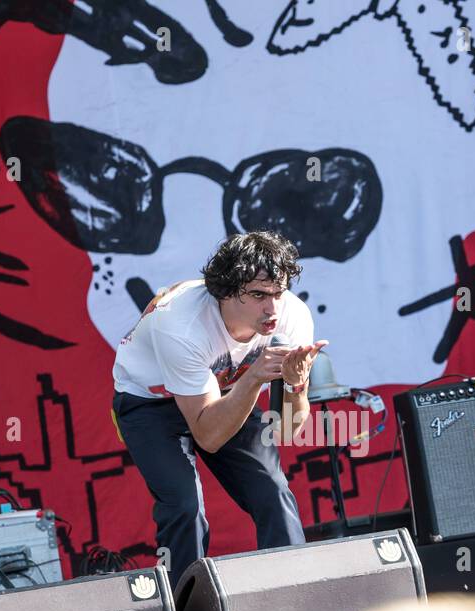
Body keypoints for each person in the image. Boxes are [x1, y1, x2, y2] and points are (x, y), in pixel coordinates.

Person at [112, 231, 326, 586]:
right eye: (258, 295)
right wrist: (254, 377)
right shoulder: (181, 324)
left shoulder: (293, 316)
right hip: (150, 403)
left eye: (278, 292)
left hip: (225, 392)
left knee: (273, 490)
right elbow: (208, 436)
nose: (272, 308)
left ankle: (293, 590)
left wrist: (297, 383)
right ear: (225, 292)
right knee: (185, 506)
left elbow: (288, 430)